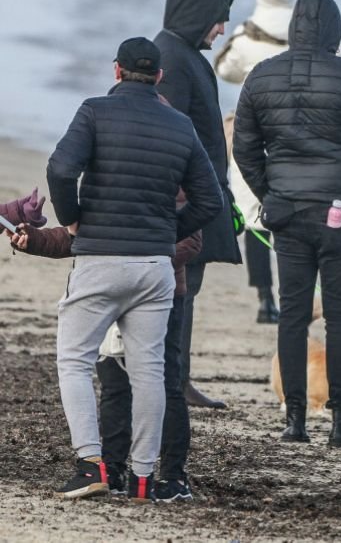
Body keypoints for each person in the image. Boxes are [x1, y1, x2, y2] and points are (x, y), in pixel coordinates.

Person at [43, 36, 222, 500]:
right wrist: (168, 230)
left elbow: (61, 169)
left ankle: (91, 465)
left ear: (116, 71)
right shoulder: (180, 125)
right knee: (150, 372)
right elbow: (211, 200)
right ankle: (144, 477)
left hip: (100, 260)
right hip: (153, 268)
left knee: (75, 361)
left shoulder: (94, 111)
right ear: (159, 76)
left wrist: (73, 220)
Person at [233, 0, 341, 448]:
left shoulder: (261, 77)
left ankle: (295, 421)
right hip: (340, 213)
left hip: (288, 214)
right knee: (339, 319)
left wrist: (269, 193)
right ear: (334, 32)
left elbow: (243, 147)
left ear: (292, 28)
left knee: (293, 316)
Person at [12, 188, 203, 503]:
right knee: (114, 383)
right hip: (112, 281)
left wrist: (142, 253)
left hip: (158, 290)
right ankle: (113, 470)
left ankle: (171, 475)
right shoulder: (111, 168)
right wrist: (35, 240)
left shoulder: (173, 163)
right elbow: (83, 233)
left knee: (166, 381)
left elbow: (193, 239)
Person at [154, 0, 240, 411]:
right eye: (217, 19)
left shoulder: (182, 52)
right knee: (178, 289)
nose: (222, 29)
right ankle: (174, 378)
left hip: (199, 193)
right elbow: (169, 134)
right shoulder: (172, 56)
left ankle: (178, 376)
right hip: (183, 200)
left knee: (189, 287)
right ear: (197, 16)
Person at [215, 0, 296, 325]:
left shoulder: (246, 35)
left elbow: (224, 69)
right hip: (293, 134)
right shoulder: (302, 31)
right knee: (292, 220)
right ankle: (294, 294)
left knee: (254, 218)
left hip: (253, 130)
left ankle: (265, 299)